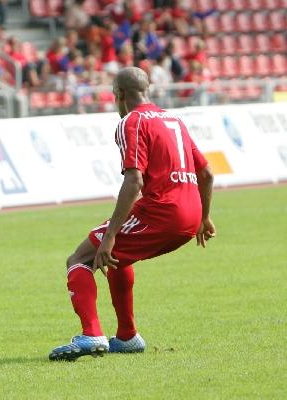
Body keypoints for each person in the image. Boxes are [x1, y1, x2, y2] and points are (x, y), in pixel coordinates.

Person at [49, 66, 215, 361]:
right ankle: (127, 337)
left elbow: (134, 180)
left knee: (80, 258)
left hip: (162, 212)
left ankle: (91, 334)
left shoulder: (132, 122)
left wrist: (110, 235)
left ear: (119, 94)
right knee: (117, 258)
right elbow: (207, 173)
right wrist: (204, 217)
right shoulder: (173, 120)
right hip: (191, 214)